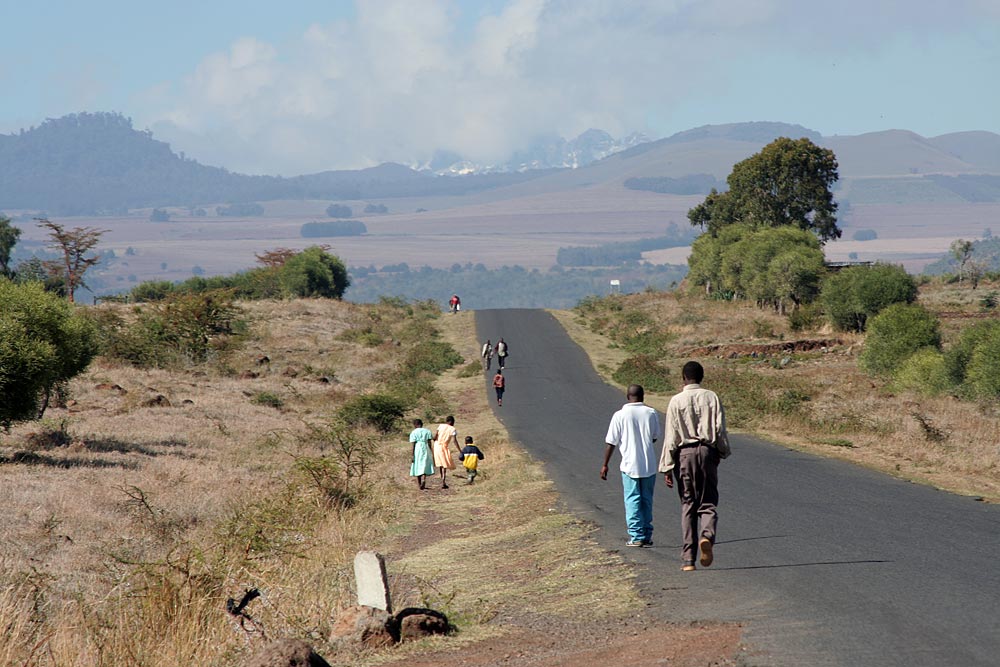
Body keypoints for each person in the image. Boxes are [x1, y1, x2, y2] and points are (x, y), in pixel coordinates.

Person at [659, 361, 731, 571]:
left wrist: (667, 465)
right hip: (707, 452)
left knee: (688, 503)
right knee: (708, 502)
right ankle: (706, 536)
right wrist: (722, 452)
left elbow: (671, 436)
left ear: (683, 378)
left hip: (684, 455)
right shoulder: (712, 397)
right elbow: (719, 429)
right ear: (702, 377)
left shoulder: (675, 401)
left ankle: (688, 559)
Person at [600, 384, 661, 548]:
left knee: (632, 500)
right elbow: (654, 437)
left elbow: (611, 442)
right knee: (647, 500)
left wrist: (605, 464)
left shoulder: (619, 415)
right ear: (643, 396)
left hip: (629, 465)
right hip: (649, 465)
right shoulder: (651, 413)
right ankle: (647, 535)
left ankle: (636, 536)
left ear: (627, 396)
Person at [432, 415, 462, 488]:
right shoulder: (453, 429)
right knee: (444, 464)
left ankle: (442, 479)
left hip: (437, 446)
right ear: (451, 422)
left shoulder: (440, 426)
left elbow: (435, 437)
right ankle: (443, 481)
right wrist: (460, 450)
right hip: (444, 446)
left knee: (440, 463)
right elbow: (455, 441)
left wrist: (434, 439)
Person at [408, 418, 435, 490]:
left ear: (415, 425)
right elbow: (429, 442)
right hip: (425, 447)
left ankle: (419, 483)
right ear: (421, 424)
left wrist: (412, 454)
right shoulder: (427, 431)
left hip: (418, 448)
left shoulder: (413, 432)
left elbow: (413, 444)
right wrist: (430, 450)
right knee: (425, 463)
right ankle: (424, 479)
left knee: (418, 464)